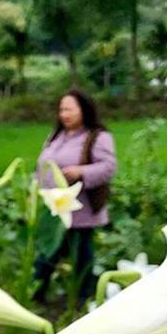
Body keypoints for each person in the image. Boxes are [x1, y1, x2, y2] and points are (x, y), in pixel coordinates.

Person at [33, 89, 118, 302]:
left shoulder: (97, 136)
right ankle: (37, 294)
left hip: (82, 210)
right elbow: (42, 165)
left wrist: (81, 172)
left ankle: (81, 298)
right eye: (62, 109)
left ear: (84, 110)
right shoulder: (57, 135)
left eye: (70, 109)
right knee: (48, 249)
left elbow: (108, 167)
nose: (64, 114)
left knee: (79, 254)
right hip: (54, 207)